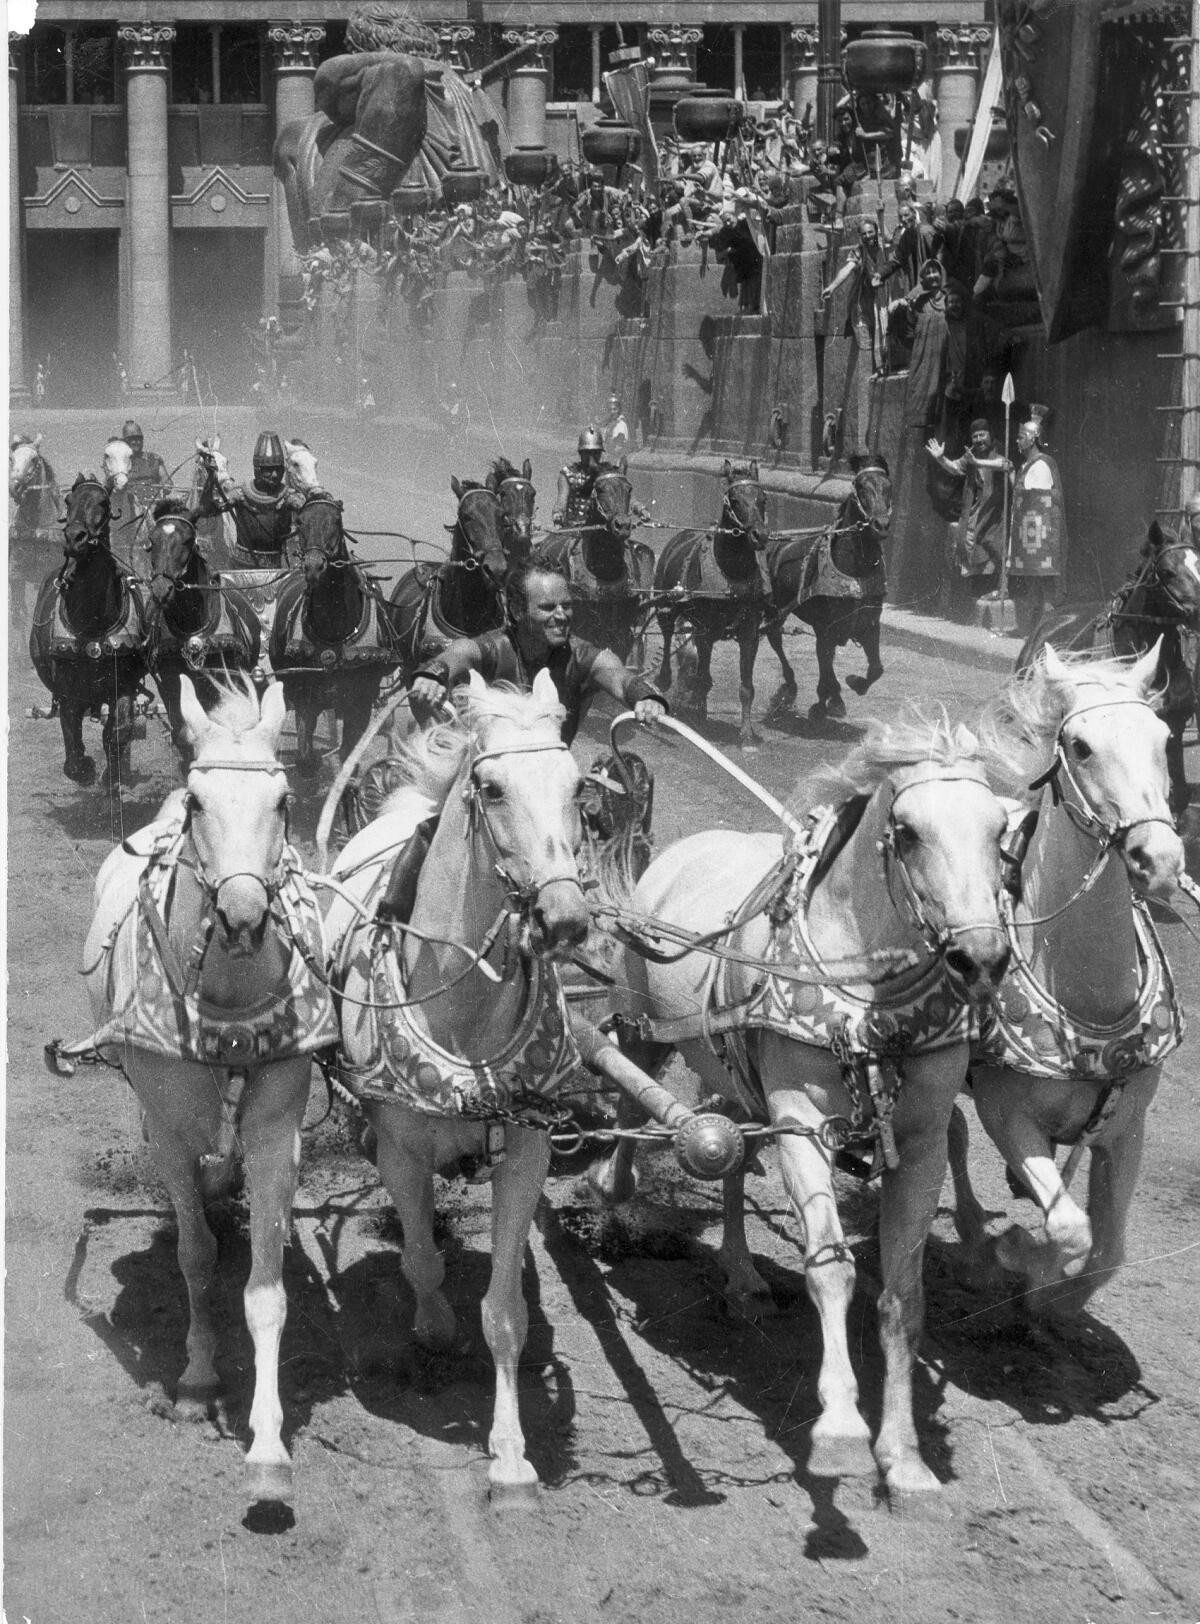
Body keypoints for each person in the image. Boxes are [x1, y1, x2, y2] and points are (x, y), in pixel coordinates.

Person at [408, 562, 667, 744]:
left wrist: (645, 696)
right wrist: (433, 675)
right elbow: (460, 652)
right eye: (547, 607)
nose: (561, 616)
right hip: (486, 781)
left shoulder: (581, 656)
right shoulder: (495, 648)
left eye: (566, 606)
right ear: (518, 611)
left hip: (549, 785)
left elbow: (616, 674)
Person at [927, 420, 1012, 619]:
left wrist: (977, 463)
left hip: (994, 517)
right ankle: (971, 603)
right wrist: (940, 459)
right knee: (969, 551)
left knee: (994, 549)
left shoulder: (997, 457)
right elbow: (955, 467)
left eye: (983, 434)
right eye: (975, 436)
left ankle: (1001, 590)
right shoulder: (971, 457)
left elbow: (1005, 465)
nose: (979, 439)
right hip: (974, 515)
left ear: (990, 436)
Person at [194, 429, 307, 567]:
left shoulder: (288, 496)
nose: (274, 475)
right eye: (269, 469)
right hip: (240, 569)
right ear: (258, 469)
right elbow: (206, 511)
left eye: (278, 469)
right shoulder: (240, 494)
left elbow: (311, 513)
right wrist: (211, 477)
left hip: (277, 569)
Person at [1007, 411, 1068, 637]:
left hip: (1041, 541)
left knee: (1044, 586)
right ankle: (1031, 628)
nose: (1017, 440)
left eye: (1021, 436)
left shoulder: (1042, 465)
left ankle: (1047, 630)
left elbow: (1038, 507)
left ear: (1033, 438)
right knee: (1033, 586)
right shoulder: (1027, 465)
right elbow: (1023, 495)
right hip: (1030, 538)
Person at [554, 427, 607, 528]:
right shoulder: (569, 473)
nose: (592, 457)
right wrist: (558, 514)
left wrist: (640, 509)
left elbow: (622, 494)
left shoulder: (607, 474)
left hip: (603, 531)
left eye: (596, 453)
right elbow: (561, 500)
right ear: (581, 453)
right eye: (588, 453)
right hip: (574, 530)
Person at [119, 420, 170, 509]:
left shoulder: (154, 459)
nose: (136, 442)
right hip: (130, 507)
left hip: (154, 505)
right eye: (132, 440)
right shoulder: (119, 462)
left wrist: (167, 485)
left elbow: (166, 479)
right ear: (125, 442)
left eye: (138, 439)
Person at [602, 394, 631, 459]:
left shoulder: (621, 424)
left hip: (616, 456)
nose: (612, 412)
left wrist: (611, 456)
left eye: (614, 409)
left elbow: (619, 444)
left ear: (619, 410)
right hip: (609, 454)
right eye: (609, 410)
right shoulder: (608, 424)